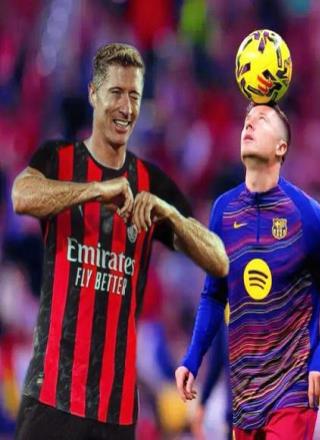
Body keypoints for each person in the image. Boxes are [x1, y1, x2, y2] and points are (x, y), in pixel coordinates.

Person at [11, 43, 229, 440]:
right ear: (94, 94)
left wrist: (170, 215)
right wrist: (94, 190)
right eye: (116, 93)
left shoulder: (149, 182)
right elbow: (22, 196)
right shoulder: (60, 161)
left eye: (134, 96)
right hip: (54, 393)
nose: (126, 107)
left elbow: (219, 259)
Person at [175, 103, 320, 439]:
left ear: (281, 147)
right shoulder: (223, 211)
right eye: (246, 120)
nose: (249, 125)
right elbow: (213, 295)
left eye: (261, 121)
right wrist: (192, 358)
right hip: (244, 398)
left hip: (294, 391)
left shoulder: (309, 215)